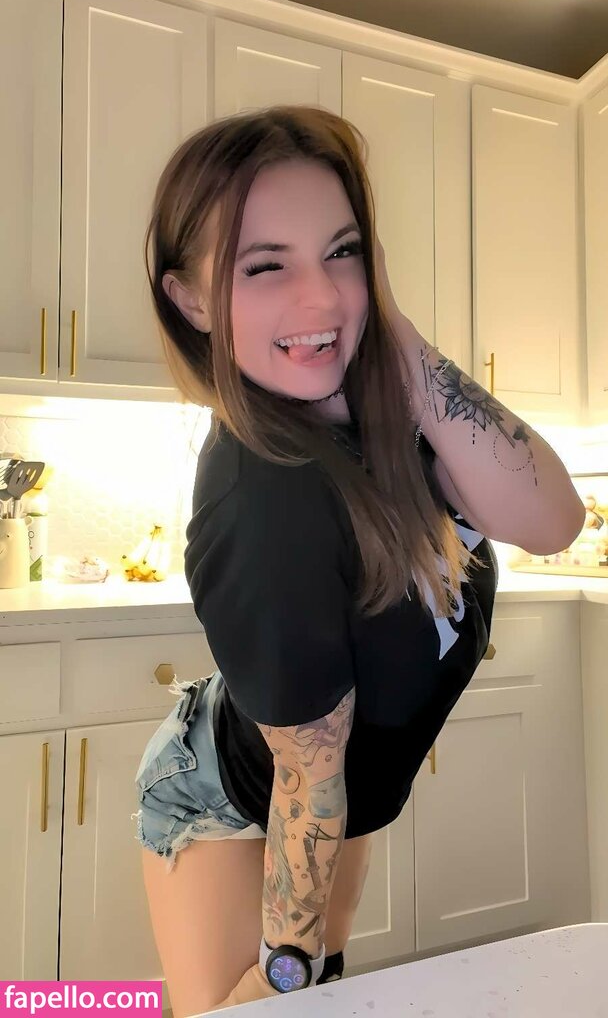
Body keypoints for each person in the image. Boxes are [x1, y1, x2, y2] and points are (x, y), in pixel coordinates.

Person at [132, 105, 585, 1017]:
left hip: (339, 787)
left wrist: (387, 320)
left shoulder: (394, 412)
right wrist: (286, 969)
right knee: (262, 1003)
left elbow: (553, 520)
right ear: (191, 299)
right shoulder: (261, 495)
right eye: (265, 265)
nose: (320, 300)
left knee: (321, 987)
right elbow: (308, 779)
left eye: (341, 252)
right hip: (234, 797)